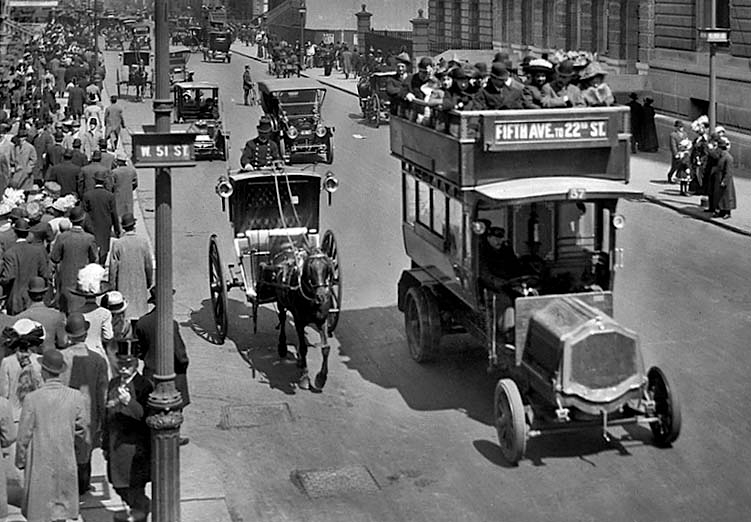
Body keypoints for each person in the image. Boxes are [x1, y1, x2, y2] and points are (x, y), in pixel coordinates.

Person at [15, 348, 88, 522]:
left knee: (41, 509)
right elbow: (82, 431)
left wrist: (21, 460)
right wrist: (79, 454)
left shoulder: (32, 399)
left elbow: (23, 436)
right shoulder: (75, 396)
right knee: (61, 509)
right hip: (65, 460)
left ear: (44, 371)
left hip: (41, 462)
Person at [59, 312, 108, 497]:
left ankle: (69, 485)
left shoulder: (61, 357)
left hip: (64, 410)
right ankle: (83, 485)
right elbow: (102, 394)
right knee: (85, 451)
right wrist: (105, 421)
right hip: (89, 413)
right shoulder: (98, 360)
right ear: (85, 333)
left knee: (66, 448)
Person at [103, 339, 153, 519]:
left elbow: (146, 417)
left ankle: (141, 511)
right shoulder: (113, 383)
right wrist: (105, 445)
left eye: (128, 365)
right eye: (121, 364)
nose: (123, 369)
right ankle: (138, 508)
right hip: (115, 446)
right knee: (117, 485)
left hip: (134, 450)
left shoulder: (144, 386)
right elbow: (106, 415)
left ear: (136, 364)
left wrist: (129, 403)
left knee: (134, 488)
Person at [135, 287, 190, 444]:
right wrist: (183, 366)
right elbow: (180, 354)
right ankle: (173, 435)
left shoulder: (142, 322)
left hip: (150, 370)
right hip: (170, 371)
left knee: (150, 405)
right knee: (174, 405)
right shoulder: (170, 324)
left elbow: (139, 350)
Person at [50, 206, 98, 313]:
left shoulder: (62, 237)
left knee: (65, 309)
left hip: (65, 279)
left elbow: (54, 257)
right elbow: (94, 259)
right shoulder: (89, 238)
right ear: (83, 219)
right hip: (82, 280)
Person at [0, 218, 50, 315]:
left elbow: (8, 277)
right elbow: (44, 274)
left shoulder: (10, 253)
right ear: (28, 233)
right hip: (34, 298)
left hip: (15, 300)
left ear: (15, 232)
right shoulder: (37, 252)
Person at [110, 213, 153, 321]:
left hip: (123, 284)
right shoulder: (143, 242)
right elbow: (148, 265)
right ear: (134, 225)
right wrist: (148, 281)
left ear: (123, 227)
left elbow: (113, 268)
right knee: (140, 313)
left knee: (125, 315)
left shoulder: (118, 244)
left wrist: (112, 286)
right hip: (140, 282)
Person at [15, 277, 65, 353]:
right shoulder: (57, 316)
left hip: (29, 362)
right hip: (49, 360)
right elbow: (62, 343)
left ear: (29, 294)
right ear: (45, 293)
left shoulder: (19, 318)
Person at [83, 169, 121, 265]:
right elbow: (114, 214)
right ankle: (101, 265)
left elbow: (84, 212)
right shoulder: (110, 196)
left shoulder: (87, 195)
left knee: (92, 246)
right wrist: (117, 229)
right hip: (105, 225)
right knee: (104, 248)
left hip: (91, 225)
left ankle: (93, 264)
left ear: (94, 181)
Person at [711, 136, 736, 219]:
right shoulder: (721, 156)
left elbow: (728, 172)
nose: (717, 149)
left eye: (718, 148)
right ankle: (721, 211)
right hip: (719, 178)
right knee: (720, 196)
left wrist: (724, 181)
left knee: (727, 196)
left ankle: (727, 212)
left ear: (721, 148)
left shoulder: (728, 158)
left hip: (725, 180)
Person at [111, 151, 137, 218]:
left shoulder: (115, 172)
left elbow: (111, 184)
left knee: (119, 213)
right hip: (128, 194)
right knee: (129, 211)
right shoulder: (132, 171)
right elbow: (135, 183)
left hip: (118, 194)